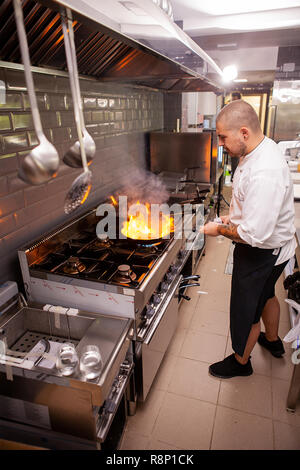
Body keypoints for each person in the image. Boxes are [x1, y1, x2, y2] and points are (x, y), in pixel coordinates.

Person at [201, 99, 296, 379]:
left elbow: (254, 235)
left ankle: (241, 363)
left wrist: (217, 229)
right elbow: (252, 207)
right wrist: (235, 216)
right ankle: (272, 339)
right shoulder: (257, 149)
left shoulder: (265, 171)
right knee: (268, 295)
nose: (220, 144)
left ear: (244, 132)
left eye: (222, 137)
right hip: (276, 249)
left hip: (261, 253)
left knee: (247, 308)